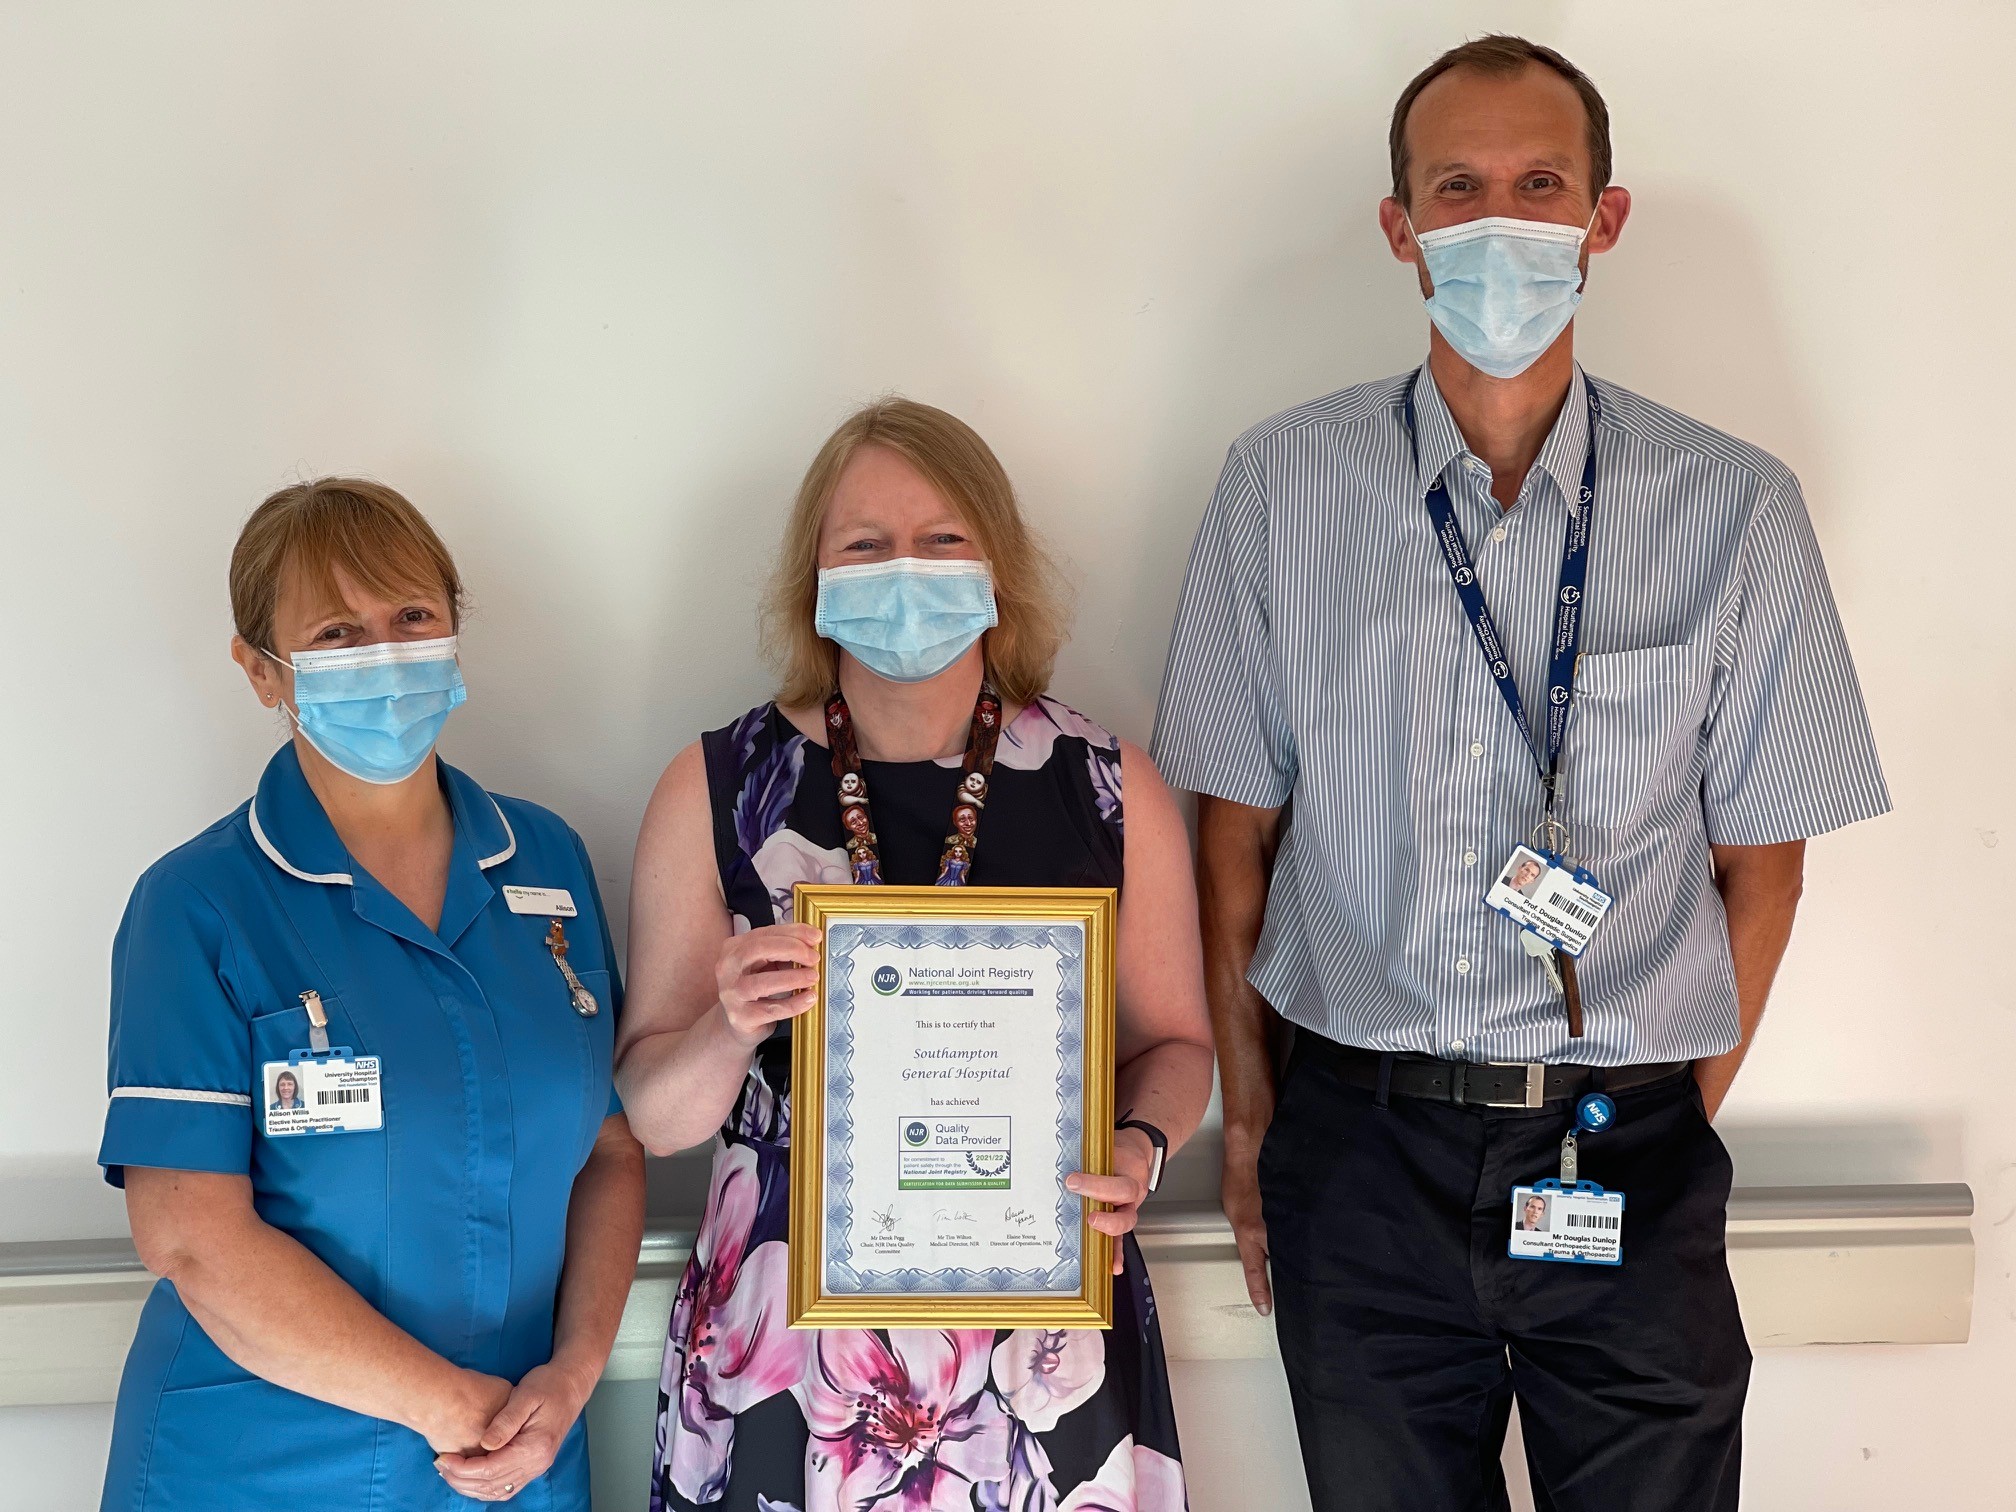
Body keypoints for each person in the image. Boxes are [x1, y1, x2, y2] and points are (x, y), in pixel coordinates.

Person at [1153, 36, 1888, 1512]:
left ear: (1603, 220)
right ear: (1400, 226)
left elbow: (1768, 865)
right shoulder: (1279, 489)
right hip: (1356, 1149)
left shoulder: (1733, 509)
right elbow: (1231, 843)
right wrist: (1253, 1132)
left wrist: (1654, 1107)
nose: (1500, 224)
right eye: (1458, 188)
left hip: (1624, 1138)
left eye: (1539, 184)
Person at [617, 399, 1214, 1512]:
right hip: (787, 1355)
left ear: (998, 564)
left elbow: (1177, 1044)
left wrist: (1140, 1144)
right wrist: (730, 1022)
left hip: (1041, 1342)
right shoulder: (712, 787)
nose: (906, 570)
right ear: (814, 578)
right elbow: (654, 1114)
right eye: (865, 545)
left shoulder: (1108, 784)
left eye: (943, 540)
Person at [98, 479, 646, 1511]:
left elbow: (611, 1150)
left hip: (517, 1459)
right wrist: (454, 1411)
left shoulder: (548, 866)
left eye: (411, 618)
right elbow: (189, 1237)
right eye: (338, 633)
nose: (385, 654)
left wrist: (572, 1377)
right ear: (263, 672)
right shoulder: (200, 905)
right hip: (262, 1468)